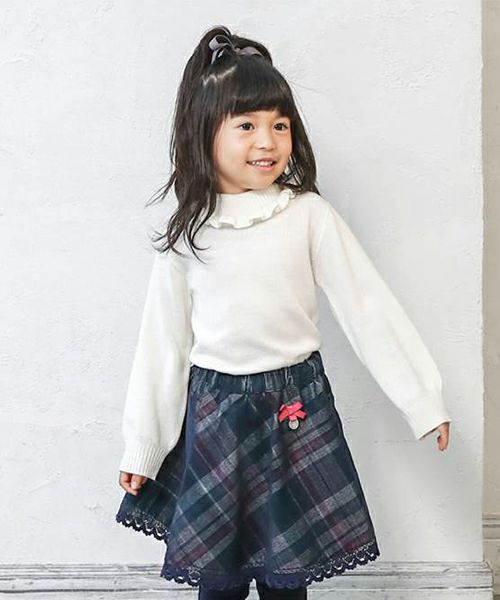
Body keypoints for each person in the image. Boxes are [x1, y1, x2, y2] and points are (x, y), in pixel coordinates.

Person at [115, 24, 451, 600]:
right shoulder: (189, 235)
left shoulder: (307, 215)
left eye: (280, 124)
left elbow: (367, 307)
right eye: (246, 125)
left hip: (297, 410)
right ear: (204, 132)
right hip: (215, 417)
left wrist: (422, 399)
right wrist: (144, 445)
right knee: (218, 578)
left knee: (286, 573)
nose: (267, 140)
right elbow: (163, 348)